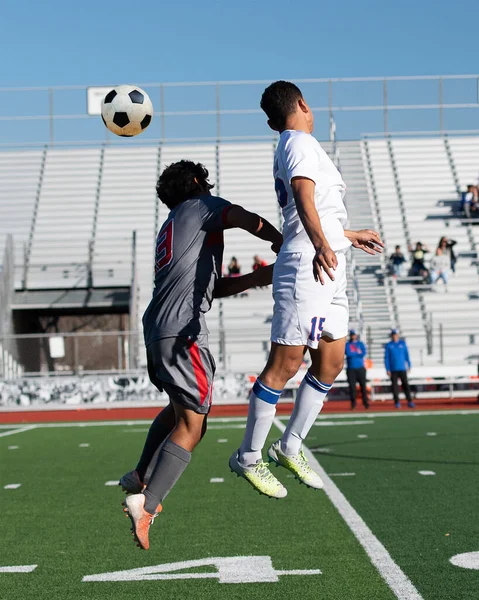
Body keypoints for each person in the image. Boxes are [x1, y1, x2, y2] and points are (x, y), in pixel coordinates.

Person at [229, 80, 384, 499]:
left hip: (329, 258)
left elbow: (318, 209)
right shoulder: (296, 140)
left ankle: (290, 445)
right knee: (287, 362)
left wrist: (347, 234)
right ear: (301, 104)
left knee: (331, 360)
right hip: (308, 263)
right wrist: (320, 244)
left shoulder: (299, 143)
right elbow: (302, 196)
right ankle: (247, 456)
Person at [119, 160, 283, 550]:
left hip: (159, 329)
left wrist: (258, 278)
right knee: (195, 425)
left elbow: (208, 288)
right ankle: (148, 503)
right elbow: (242, 217)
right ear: (196, 182)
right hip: (182, 331)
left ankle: (140, 474)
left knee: (180, 411)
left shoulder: (174, 223)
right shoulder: (199, 207)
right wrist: (281, 241)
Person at [384, 329, 415, 409]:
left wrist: (409, 365)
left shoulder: (402, 344)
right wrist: (387, 369)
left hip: (402, 368)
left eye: (396, 334)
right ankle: (397, 402)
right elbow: (386, 358)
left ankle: (410, 401)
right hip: (393, 369)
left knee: (405, 385)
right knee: (395, 387)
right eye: (393, 335)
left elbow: (406, 355)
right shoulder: (389, 345)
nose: (395, 336)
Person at [345, 330, 369, 409]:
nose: (353, 336)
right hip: (351, 369)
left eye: (354, 335)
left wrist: (355, 353)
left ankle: (365, 403)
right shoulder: (347, 344)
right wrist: (357, 352)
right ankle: (353, 403)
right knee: (352, 387)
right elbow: (348, 353)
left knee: (363, 386)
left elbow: (363, 353)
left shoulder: (360, 344)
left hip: (360, 368)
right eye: (352, 335)